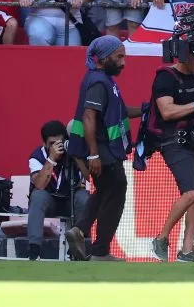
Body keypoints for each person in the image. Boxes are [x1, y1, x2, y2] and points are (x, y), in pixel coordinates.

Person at [65, 35, 141, 261]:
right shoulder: (99, 82)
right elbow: (89, 116)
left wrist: (148, 109)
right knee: (116, 193)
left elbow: (120, 111)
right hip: (104, 152)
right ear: (104, 57)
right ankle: (100, 251)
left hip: (105, 151)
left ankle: (79, 230)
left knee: (105, 192)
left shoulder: (104, 80)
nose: (123, 62)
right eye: (119, 57)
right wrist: (94, 154)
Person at [148, 45, 194, 263]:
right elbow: (167, 111)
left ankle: (187, 249)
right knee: (191, 192)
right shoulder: (165, 78)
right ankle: (161, 238)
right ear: (185, 56)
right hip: (173, 141)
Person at [26, 120, 89, 260]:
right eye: (52, 144)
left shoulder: (72, 152)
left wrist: (77, 156)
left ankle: (80, 246)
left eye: (59, 142)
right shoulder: (37, 156)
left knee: (84, 197)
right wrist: (51, 159)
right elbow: (40, 184)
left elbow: (90, 178)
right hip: (50, 200)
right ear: (44, 144)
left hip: (70, 200)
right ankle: (34, 250)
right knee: (38, 196)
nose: (57, 147)